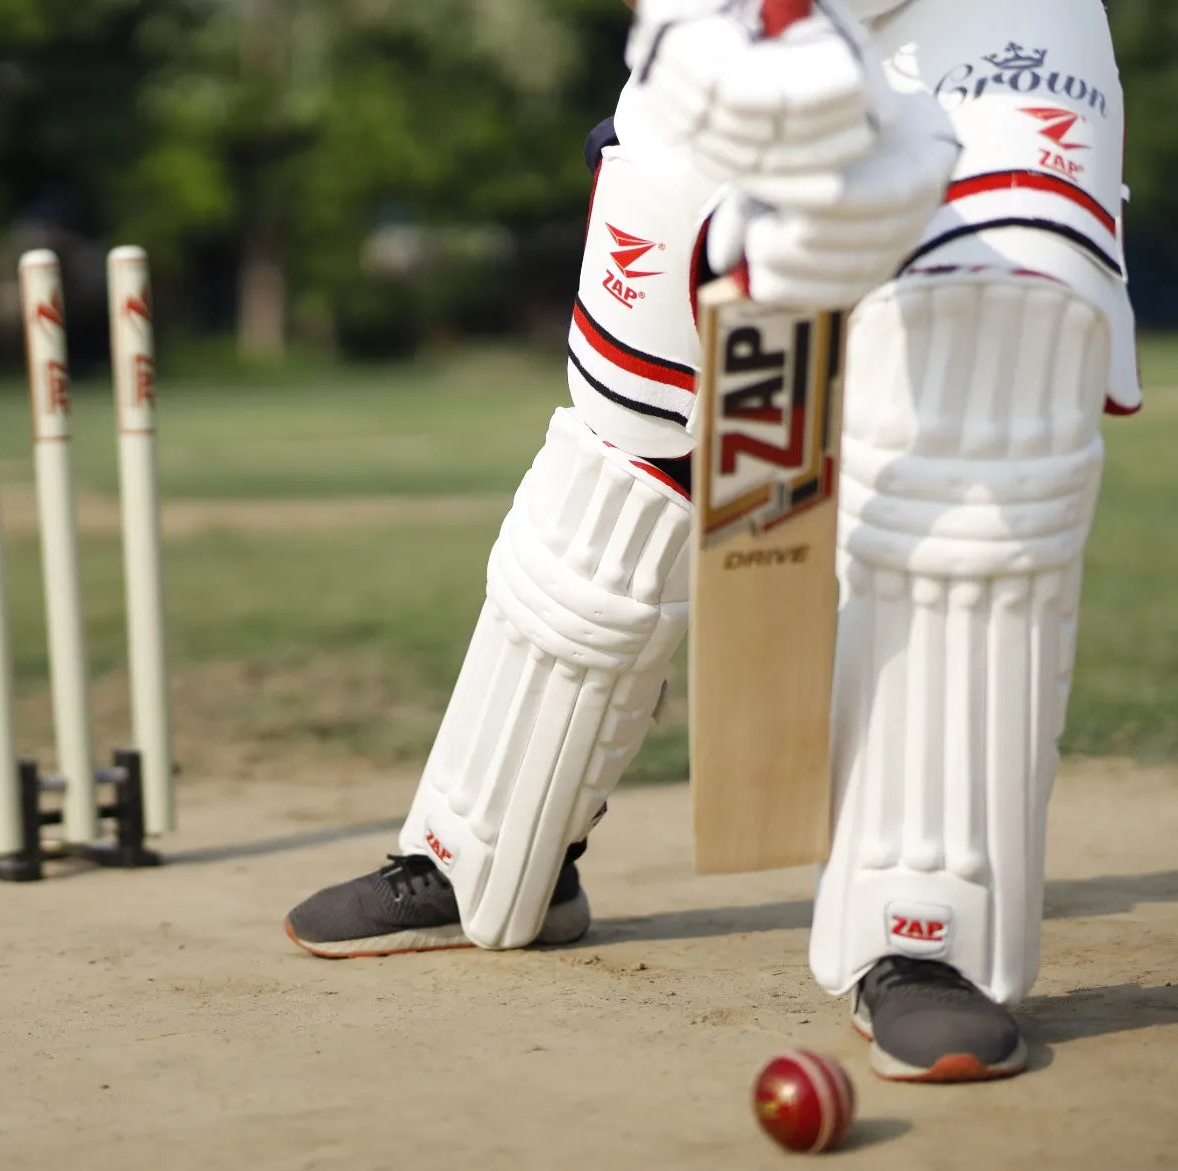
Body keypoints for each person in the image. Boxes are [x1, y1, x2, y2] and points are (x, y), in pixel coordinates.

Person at [283, 0, 1139, 1084]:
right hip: (725, 28)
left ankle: (924, 935)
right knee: (627, 444)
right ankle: (485, 850)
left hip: (986, 29)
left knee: (974, 452)